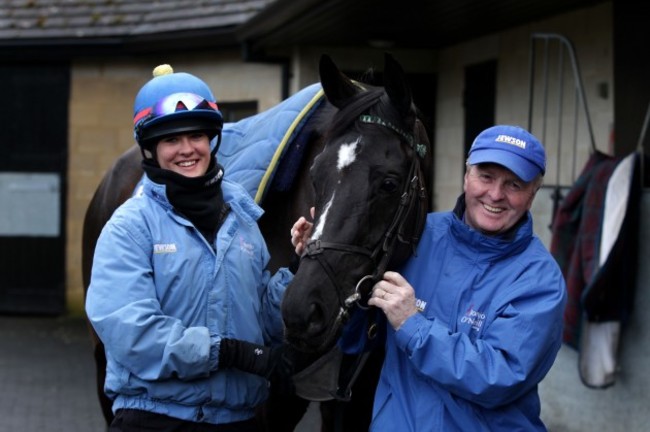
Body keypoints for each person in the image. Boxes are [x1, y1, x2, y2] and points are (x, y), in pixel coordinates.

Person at [291, 124, 567, 431]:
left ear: (532, 195)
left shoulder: (539, 280)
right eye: (486, 176)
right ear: (467, 176)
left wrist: (413, 325)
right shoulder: (418, 236)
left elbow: (500, 378)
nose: (495, 194)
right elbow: (360, 337)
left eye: (514, 185)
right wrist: (321, 261)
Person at [85, 64, 297, 431]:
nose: (187, 150)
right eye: (170, 140)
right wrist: (227, 352)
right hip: (156, 418)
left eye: (197, 135)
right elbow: (131, 333)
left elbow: (262, 321)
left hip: (239, 419)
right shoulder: (129, 227)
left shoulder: (243, 219)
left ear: (212, 139)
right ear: (149, 149)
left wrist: (300, 265)